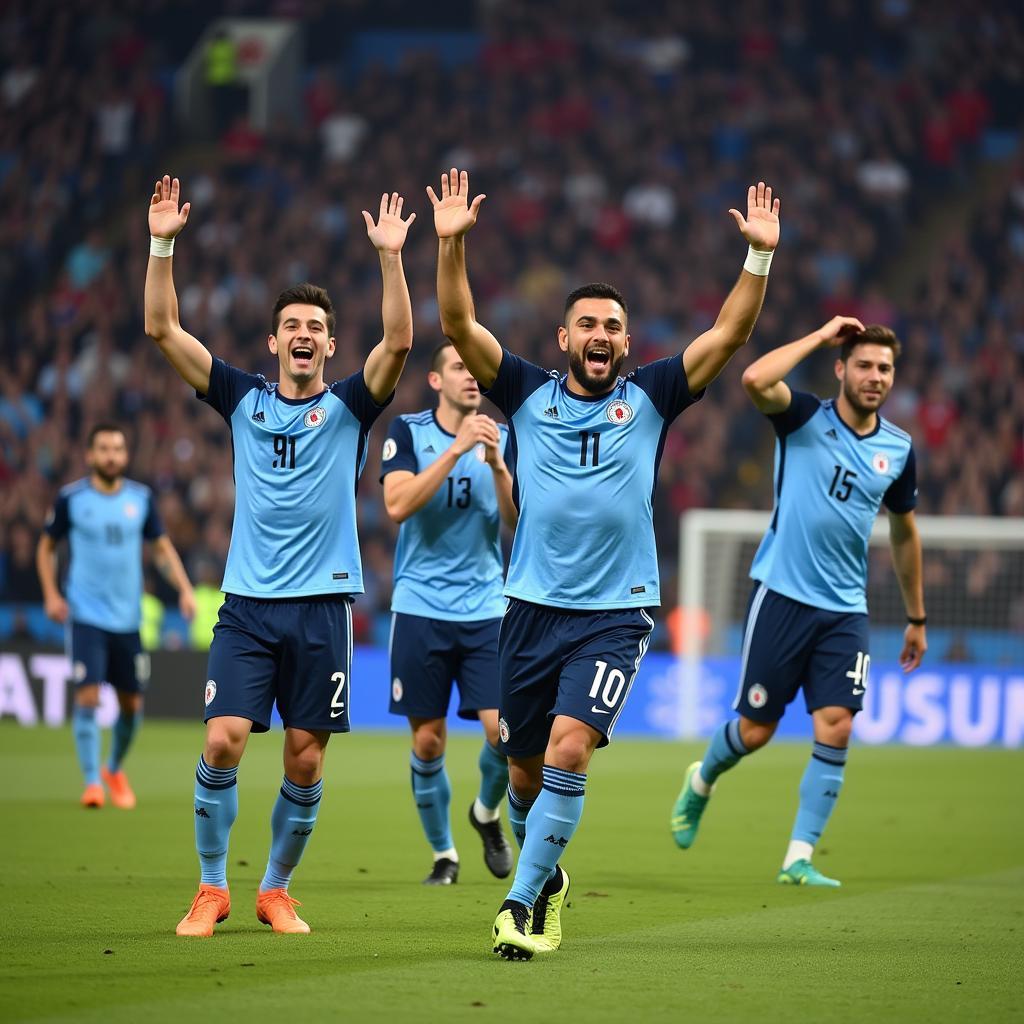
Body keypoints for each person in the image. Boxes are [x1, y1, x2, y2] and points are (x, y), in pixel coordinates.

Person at [428, 167, 781, 959]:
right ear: (564, 339)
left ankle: (521, 905)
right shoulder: (522, 391)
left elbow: (727, 336)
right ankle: (545, 876)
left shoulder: (653, 394)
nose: (599, 334)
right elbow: (457, 321)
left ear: (626, 341)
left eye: (612, 325)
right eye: (585, 322)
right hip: (527, 610)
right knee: (522, 778)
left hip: (614, 614)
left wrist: (756, 259)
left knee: (567, 751)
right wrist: (451, 244)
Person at [143, 175, 415, 937]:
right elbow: (162, 329)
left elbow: (398, 342)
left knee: (304, 759)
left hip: (325, 608)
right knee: (223, 739)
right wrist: (163, 243)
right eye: (291, 323)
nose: (303, 333)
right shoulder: (241, 398)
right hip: (249, 606)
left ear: (329, 342)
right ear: (273, 342)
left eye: (316, 325)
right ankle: (209, 888)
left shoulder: (350, 407)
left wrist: (390, 258)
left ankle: (275, 889)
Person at [670, 317, 926, 886]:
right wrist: (818, 334)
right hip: (781, 595)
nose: (875, 376)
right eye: (863, 364)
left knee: (836, 725)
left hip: (844, 610)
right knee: (756, 731)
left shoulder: (899, 449)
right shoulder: (805, 418)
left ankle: (798, 858)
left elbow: (905, 534)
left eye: (885, 368)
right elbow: (757, 378)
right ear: (841, 368)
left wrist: (916, 617)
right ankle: (703, 779)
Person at [381, 340, 518, 886]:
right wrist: (457, 451)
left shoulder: (504, 438)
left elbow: (516, 524)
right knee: (428, 740)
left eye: (474, 369)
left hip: (485, 607)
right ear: (436, 381)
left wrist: (500, 468)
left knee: (503, 734)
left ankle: (484, 812)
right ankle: (444, 854)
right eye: (458, 368)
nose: (470, 376)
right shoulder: (408, 433)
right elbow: (397, 505)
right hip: (420, 607)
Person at [36, 423, 196, 809]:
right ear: (90, 455)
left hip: (128, 618)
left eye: (117, 449)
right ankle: (92, 782)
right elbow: (46, 548)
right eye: (104, 448)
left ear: (125, 456)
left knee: (131, 707)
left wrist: (185, 588)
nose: (111, 455)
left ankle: (113, 768)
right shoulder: (71, 499)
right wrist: (51, 593)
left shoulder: (140, 499)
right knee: (88, 696)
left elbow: (160, 549)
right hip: (86, 615)